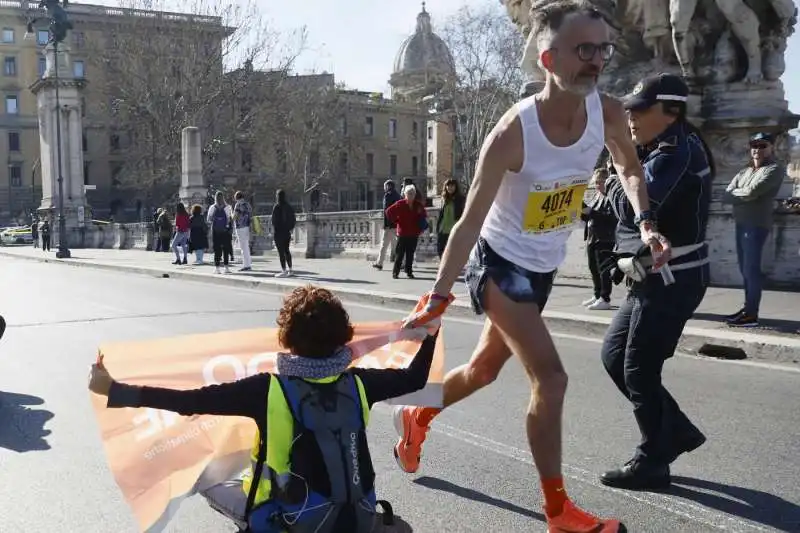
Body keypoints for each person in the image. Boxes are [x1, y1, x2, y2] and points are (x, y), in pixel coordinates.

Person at [391, 3, 673, 531]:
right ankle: (557, 510)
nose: (597, 60)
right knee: (552, 377)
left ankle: (417, 414)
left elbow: (629, 167)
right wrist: (437, 297)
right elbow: (468, 221)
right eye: (583, 50)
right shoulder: (512, 134)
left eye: (603, 48)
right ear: (548, 58)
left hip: (540, 269)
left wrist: (648, 221)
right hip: (498, 265)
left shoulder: (609, 113)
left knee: (481, 371)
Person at [88, 285, 437, 533]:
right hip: (359, 514)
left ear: (286, 339)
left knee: (203, 477)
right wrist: (431, 333)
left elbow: (189, 401)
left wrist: (114, 389)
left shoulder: (267, 388)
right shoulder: (360, 382)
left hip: (293, 517)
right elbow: (415, 378)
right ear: (342, 337)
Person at [598, 73, 714, 490]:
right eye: (629, 107)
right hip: (653, 274)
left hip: (674, 279)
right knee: (615, 356)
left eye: (641, 108)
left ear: (671, 112)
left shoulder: (674, 154)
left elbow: (631, 210)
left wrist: (614, 176)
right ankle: (676, 431)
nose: (631, 115)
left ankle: (653, 458)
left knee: (638, 367)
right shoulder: (658, 147)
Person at [723, 132, 786, 327]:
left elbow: (753, 191)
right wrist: (743, 195)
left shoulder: (774, 169)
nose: (757, 149)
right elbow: (726, 195)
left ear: (771, 147)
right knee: (744, 269)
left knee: (751, 270)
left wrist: (740, 194)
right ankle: (747, 308)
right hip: (741, 224)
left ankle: (751, 315)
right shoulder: (745, 171)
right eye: (754, 145)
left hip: (756, 225)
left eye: (762, 145)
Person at [580, 160, 617, 310]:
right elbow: (589, 216)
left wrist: (591, 212)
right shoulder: (597, 196)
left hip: (605, 238)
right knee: (593, 267)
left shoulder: (612, 196)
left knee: (604, 269)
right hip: (592, 237)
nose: (598, 185)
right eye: (596, 183)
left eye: (600, 182)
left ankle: (605, 298)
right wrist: (583, 212)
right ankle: (597, 294)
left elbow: (610, 217)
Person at [385, 185, 427, 280]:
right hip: (402, 233)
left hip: (414, 233)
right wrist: (396, 222)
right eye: (409, 194)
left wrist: (421, 228)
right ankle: (395, 272)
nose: (411, 195)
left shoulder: (418, 205)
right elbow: (388, 212)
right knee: (399, 254)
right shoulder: (400, 204)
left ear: (415, 194)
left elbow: (424, 215)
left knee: (410, 254)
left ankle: (409, 272)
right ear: (405, 195)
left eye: (412, 194)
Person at [373, 180, 402, 271]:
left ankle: (379, 263)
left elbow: (386, 211)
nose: (384, 189)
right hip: (397, 224)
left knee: (384, 245)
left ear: (387, 186)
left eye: (385, 187)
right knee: (398, 245)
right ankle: (402, 263)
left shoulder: (387, 196)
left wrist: (386, 225)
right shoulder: (399, 196)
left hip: (389, 225)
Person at [435, 179, 465, 258]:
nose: (450, 188)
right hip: (443, 229)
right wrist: (438, 227)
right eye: (448, 186)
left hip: (454, 228)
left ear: (455, 187)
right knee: (440, 250)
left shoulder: (461, 199)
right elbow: (441, 214)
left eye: (452, 186)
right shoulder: (444, 198)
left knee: (453, 251)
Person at [271, 189, 296, 278]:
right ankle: (291, 269)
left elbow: (274, 221)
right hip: (287, 232)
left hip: (278, 233)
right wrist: (289, 228)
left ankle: (283, 270)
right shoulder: (289, 207)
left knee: (281, 252)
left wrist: (276, 229)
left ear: (277, 196)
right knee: (287, 251)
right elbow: (293, 220)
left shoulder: (277, 207)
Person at [207, 192, 233, 274]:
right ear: (223, 198)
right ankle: (226, 267)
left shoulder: (212, 207)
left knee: (217, 249)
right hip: (226, 231)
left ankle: (217, 268)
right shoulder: (228, 207)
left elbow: (209, 219)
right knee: (226, 249)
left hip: (215, 231)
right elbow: (230, 219)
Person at [233, 191, 254, 272]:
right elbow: (251, 214)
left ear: (236, 197)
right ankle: (248, 264)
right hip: (247, 226)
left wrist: (231, 214)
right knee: (246, 246)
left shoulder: (238, 204)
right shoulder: (247, 204)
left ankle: (246, 265)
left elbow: (234, 217)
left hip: (240, 227)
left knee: (243, 247)